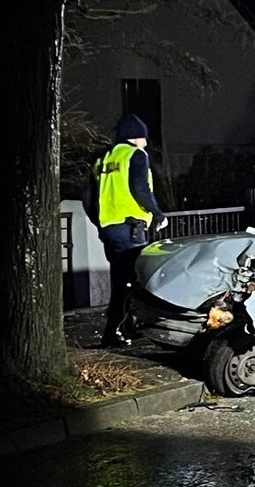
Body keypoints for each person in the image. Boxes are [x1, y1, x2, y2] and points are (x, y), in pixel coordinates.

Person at [90, 113, 168, 347]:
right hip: (130, 226)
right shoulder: (135, 155)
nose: (146, 142)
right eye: (144, 137)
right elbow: (140, 189)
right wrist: (157, 213)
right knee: (133, 280)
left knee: (121, 280)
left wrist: (101, 223)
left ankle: (125, 328)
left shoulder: (103, 159)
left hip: (110, 229)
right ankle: (114, 332)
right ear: (136, 137)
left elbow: (89, 198)